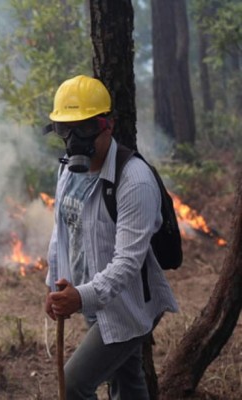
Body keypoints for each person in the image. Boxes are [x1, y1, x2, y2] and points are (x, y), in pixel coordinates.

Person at [43, 75, 178, 399]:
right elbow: (61, 230)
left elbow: (128, 264)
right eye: (66, 129)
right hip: (91, 295)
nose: (75, 140)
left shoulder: (135, 181)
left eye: (86, 128)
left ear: (108, 125)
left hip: (126, 304)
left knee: (74, 384)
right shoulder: (66, 171)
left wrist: (81, 297)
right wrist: (54, 285)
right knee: (127, 382)